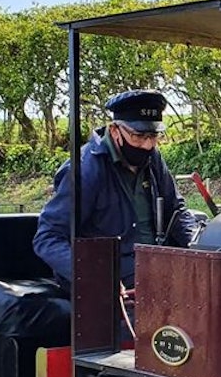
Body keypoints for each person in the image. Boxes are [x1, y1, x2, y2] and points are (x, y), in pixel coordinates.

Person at [34, 89, 201, 288]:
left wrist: (198, 245)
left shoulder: (153, 158)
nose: (148, 145)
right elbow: (48, 238)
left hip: (157, 268)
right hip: (109, 280)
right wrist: (96, 275)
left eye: (153, 136)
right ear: (115, 130)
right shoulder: (85, 170)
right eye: (138, 136)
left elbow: (176, 211)